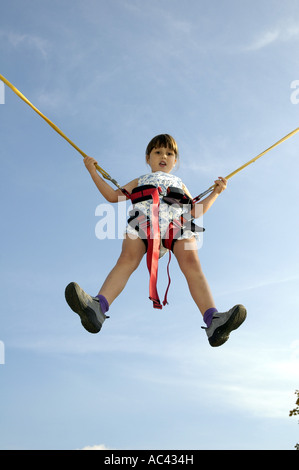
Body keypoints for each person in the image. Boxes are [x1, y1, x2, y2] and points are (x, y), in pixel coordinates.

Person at [65, 134, 246, 347]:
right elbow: (113, 197)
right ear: (148, 158)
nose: (164, 156)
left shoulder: (180, 183)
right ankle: (97, 308)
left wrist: (216, 193)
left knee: (192, 265)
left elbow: (196, 211)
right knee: (126, 260)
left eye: (169, 153)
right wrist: (93, 171)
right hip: (144, 220)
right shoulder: (140, 180)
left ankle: (214, 321)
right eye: (158, 152)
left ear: (175, 161)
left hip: (176, 223)